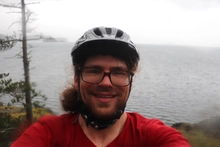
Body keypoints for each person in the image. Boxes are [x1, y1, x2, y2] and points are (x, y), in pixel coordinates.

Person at [11, 27, 190, 147]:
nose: (106, 83)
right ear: (76, 78)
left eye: (118, 72)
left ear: (130, 81)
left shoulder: (152, 136)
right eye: (94, 70)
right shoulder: (49, 133)